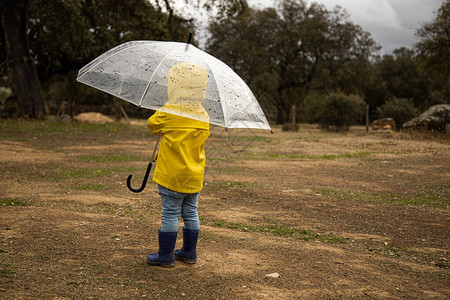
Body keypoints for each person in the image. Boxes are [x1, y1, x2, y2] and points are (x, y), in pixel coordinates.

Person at [146, 62, 210, 268]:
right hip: (194, 175)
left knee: (171, 213)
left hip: (171, 174)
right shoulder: (203, 115)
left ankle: (166, 255)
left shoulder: (169, 111)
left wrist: (165, 109)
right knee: (191, 212)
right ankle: (189, 252)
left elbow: (152, 125)